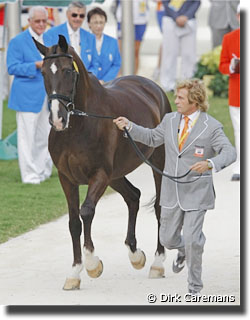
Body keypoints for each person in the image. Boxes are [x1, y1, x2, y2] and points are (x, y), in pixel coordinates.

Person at [113, 79, 236, 295]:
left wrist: (210, 163)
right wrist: (130, 126)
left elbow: (230, 152)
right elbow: (151, 138)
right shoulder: (169, 120)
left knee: (192, 238)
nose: (175, 101)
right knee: (167, 238)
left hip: (197, 193)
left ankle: (194, 287)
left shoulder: (212, 127)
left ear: (194, 101)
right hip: (171, 192)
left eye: (180, 97)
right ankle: (185, 250)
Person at [7, 6, 53, 184]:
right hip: (26, 96)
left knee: (44, 135)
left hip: (48, 97)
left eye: (44, 21)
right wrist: (34, 65)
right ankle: (29, 175)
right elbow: (12, 67)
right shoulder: (18, 41)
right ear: (29, 22)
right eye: (37, 21)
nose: (41, 24)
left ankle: (42, 171)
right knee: (27, 138)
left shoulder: (50, 39)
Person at [45, 1, 99, 76]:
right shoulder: (52, 34)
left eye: (81, 16)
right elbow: (49, 62)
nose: (78, 18)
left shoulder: (90, 37)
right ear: (67, 14)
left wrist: (88, 78)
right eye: (74, 15)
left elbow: (95, 64)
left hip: (85, 83)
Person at [219, 4, 240, 181]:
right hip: (238, 94)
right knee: (239, 130)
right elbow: (223, 65)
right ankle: (241, 165)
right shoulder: (229, 38)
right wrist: (232, 66)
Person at [160, 0, 200, 92]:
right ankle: (167, 84)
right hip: (170, 19)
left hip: (189, 20)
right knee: (170, 53)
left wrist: (186, 16)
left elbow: (197, 2)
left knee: (189, 54)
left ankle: (187, 83)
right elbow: (165, 2)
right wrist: (176, 17)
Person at [115, 0, 149, 74]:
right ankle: (119, 78)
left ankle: (134, 78)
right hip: (123, 18)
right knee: (121, 50)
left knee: (135, 51)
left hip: (140, 19)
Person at [87, 7, 121, 82]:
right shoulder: (83, 41)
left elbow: (116, 64)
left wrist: (105, 80)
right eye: (95, 22)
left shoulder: (113, 42)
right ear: (89, 23)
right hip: (89, 84)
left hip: (108, 85)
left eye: (101, 22)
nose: (99, 26)